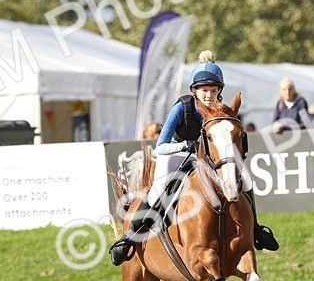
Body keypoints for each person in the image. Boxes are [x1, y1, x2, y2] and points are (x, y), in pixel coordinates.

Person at [109, 50, 279, 265]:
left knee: (245, 179)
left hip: (208, 161)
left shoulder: (222, 110)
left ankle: (256, 231)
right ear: (194, 90)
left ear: (220, 91)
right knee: (158, 191)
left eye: (213, 90)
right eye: (204, 90)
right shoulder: (183, 107)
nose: (209, 95)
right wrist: (186, 145)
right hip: (177, 154)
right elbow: (161, 146)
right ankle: (128, 238)